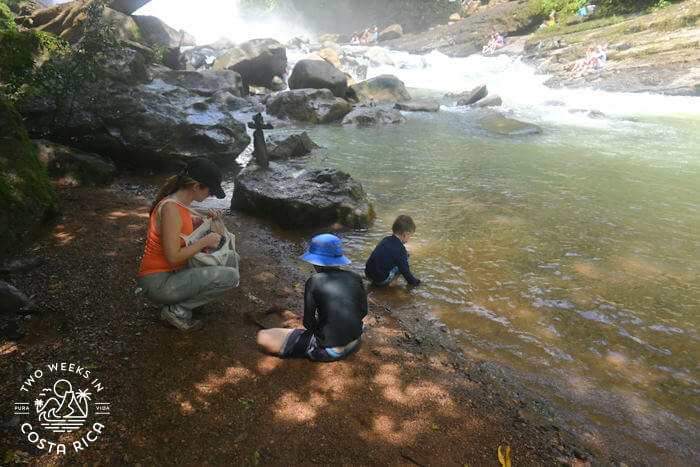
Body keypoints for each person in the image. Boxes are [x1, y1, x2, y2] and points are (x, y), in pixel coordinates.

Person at [138, 158, 240, 331]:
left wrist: (201, 222)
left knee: (231, 258)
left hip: (174, 273)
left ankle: (189, 301)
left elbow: (180, 229)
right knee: (231, 276)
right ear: (195, 187)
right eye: (210, 191)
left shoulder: (181, 204)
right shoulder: (171, 208)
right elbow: (172, 257)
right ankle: (177, 310)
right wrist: (204, 242)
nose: (212, 195)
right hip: (159, 282)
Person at [256, 234, 367, 362]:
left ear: (316, 263)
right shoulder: (355, 277)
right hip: (355, 340)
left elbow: (308, 323)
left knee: (262, 336)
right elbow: (363, 312)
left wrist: (322, 327)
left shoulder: (314, 281)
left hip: (329, 351)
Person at [365, 215, 421, 286]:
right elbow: (407, 275)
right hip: (381, 279)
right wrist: (418, 282)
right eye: (410, 236)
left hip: (368, 274)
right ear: (406, 234)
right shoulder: (400, 250)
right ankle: (393, 281)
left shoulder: (385, 239)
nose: (409, 238)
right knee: (406, 256)